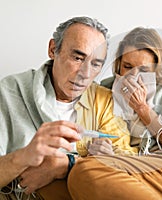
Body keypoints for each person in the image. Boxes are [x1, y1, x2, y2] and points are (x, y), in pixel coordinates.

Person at [68, 27, 162, 200]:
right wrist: (104, 152)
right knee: (83, 172)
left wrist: (142, 109)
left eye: (144, 71)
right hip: (124, 170)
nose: (133, 77)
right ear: (118, 65)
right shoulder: (106, 89)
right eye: (127, 66)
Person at [0, 16, 136, 200]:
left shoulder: (103, 101)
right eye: (78, 58)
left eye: (95, 64)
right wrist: (24, 156)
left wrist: (68, 164)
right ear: (53, 49)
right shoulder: (8, 93)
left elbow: (129, 166)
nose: (85, 74)